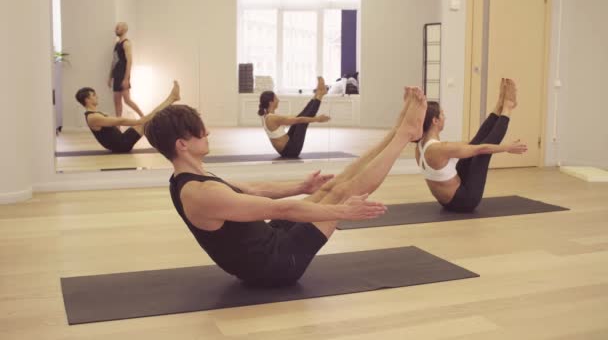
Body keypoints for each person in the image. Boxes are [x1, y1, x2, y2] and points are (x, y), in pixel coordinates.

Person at [144, 86, 428, 287]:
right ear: (182, 145)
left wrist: (302, 187)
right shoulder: (200, 194)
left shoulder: (194, 176)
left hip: (269, 240)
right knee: (341, 193)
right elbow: (283, 209)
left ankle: (396, 131)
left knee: (335, 185)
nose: (208, 132)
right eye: (199, 131)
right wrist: (343, 212)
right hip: (276, 265)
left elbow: (254, 190)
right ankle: (405, 135)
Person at [415, 78, 528, 212]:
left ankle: (500, 105)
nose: (445, 118)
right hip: (465, 201)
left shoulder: (420, 146)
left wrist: (477, 143)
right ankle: (507, 107)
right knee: (481, 153)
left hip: (448, 200)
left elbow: (472, 144)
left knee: (475, 144)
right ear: (435, 120)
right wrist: (507, 148)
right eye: (442, 114)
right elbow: (482, 149)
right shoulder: (440, 148)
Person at [74, 81, 180, 153]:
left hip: (122, 139)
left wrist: (140, 121)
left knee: (149, 120)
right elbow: (120, 121)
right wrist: (139, 121)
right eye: (93, 95)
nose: (97, 96)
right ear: (87, 100)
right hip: (121, 145)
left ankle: (171, 99)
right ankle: (171, 99)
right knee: (149, 120)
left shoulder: (94, 115)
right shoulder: (93, 117)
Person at [258, 77, 331, 158]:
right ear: (271, 102)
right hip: (291, 150)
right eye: (276, 98)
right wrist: (317, 119)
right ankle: (320, 94)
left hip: (287, 146)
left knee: (300, 117)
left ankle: (318, 93)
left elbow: (296, 118)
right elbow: (299, 120)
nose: (278, 100)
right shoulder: (272, 118)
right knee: (301, 121)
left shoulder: (265, 115)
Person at [108, 22, 144, 118]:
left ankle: (143, 117)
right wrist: (110, 77)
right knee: (117, 101)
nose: (115, 29)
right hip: (116, 75)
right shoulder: (117, 44)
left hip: (123, 75)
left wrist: (126, 79)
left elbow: (129, 61)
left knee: (127, 100)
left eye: (118, 28)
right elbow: (114, 61)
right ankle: (118, 126)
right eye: (116, 28)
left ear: (124, 29)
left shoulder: (126, 43)